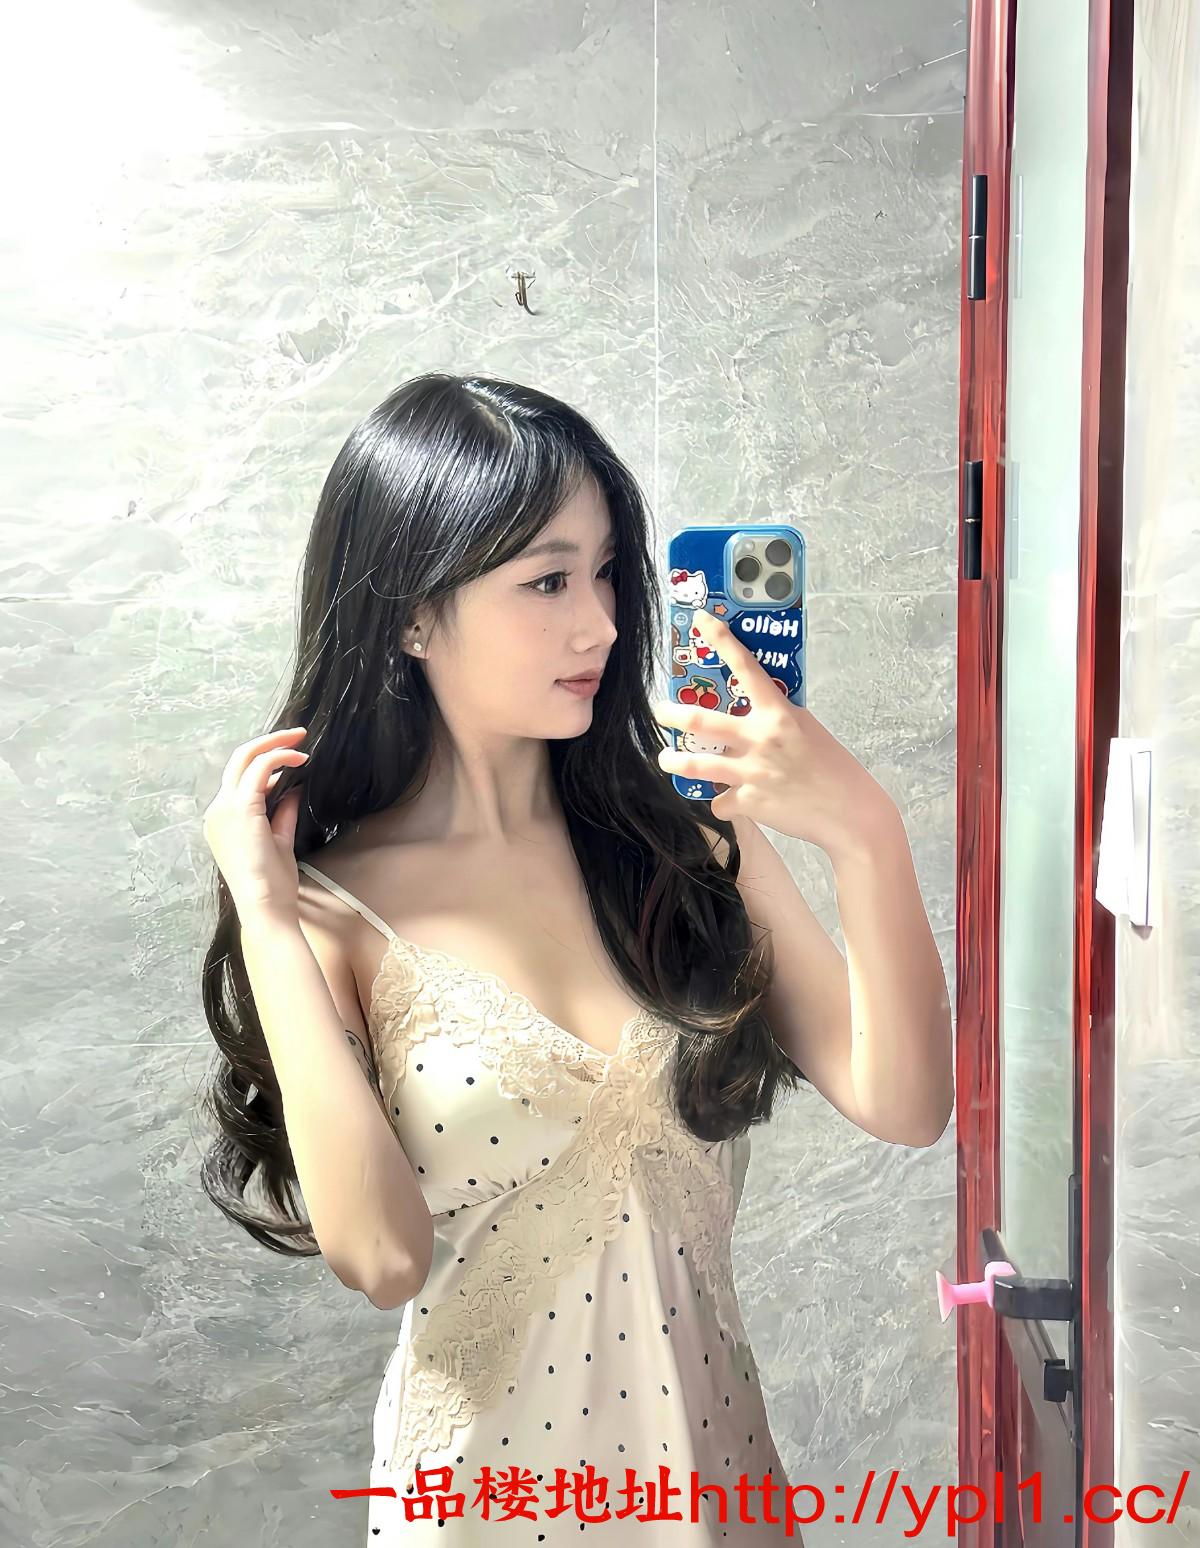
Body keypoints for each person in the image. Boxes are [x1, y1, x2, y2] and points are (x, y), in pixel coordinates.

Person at [199, 372, 949, 1545]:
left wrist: (865, 833)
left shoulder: (687, 841)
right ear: (412, 613)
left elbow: (905, 1105)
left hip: (714, 1490)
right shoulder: (330, 913)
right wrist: (264, 911)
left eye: (605, 573)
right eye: (548, 580)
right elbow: (383, 1258)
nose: (599, 623)